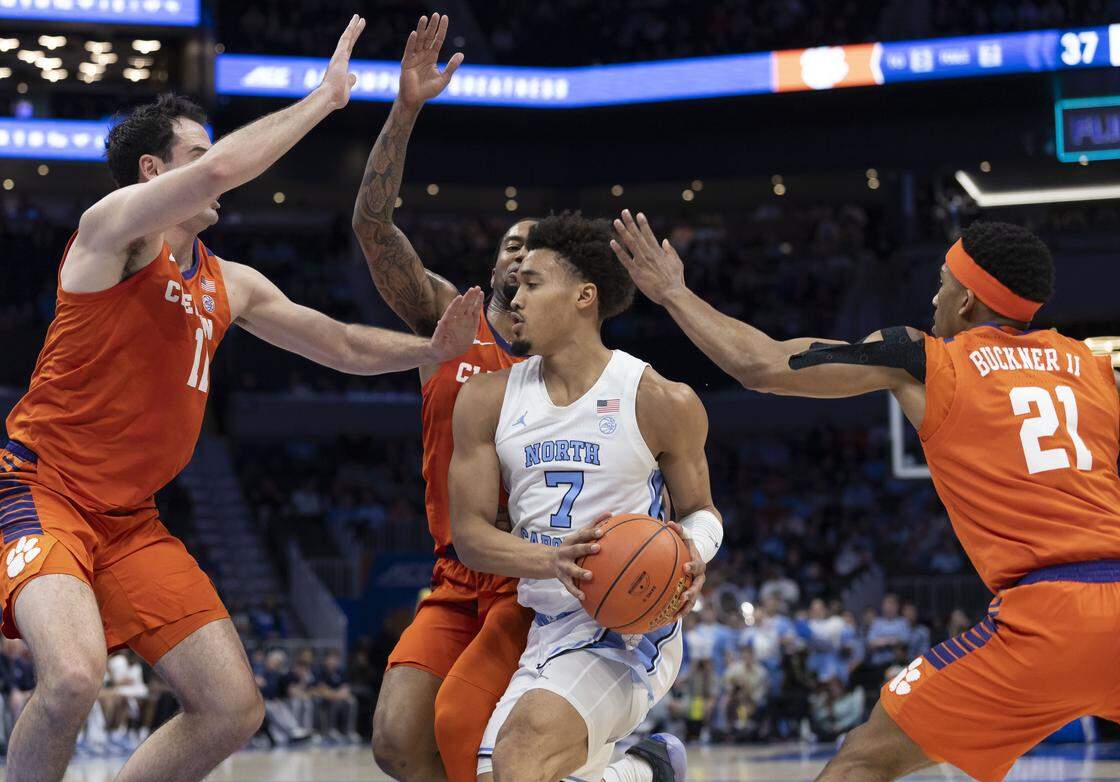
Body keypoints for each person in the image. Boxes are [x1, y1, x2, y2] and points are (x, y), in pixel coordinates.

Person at [0, 17, 485, 782]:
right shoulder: (113, 231)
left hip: (129, 520)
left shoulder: (231, 282)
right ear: (154, 171)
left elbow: (339, 342)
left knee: (232, 707)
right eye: (196, 154)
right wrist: (325, 99)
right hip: (43, 488)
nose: (214, 169)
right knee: (72, 677)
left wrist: (428, 352)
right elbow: (223, 169)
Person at [612, 212, 1120, 782]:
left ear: (966, 300)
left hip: (1049, 615)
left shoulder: (924, 359)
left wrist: (673, 292)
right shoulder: (1099, 371)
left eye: (942, 282)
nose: (934, 297)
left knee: (860, 762)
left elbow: (762, 365)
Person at [450, 212, 724, 782]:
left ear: (584, 296)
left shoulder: (659, 399)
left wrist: (692, 553)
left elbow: (702, 512)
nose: (514, 297)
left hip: (630, 623)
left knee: (520, 757)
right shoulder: (485, 399)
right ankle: (645, 772)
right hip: (548, 622)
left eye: (532, 283)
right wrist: (552, 559)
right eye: (515, 284)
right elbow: (470, 536)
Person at [351, 13, 536, 782]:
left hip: (535, 576)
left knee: (480, 742)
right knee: (398, 742)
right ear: (495, 265)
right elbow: (372, 224)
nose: (522, 254)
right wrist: (405, 109)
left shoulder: (579, 362)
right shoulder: (448, 320)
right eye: (512, 243)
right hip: (457, 575)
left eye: (539, 249)